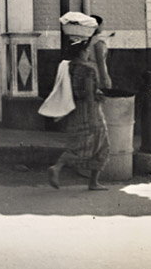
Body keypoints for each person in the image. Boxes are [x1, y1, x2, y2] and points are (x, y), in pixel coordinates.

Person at [48, 40, 110, 191]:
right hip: (90, 110)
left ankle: (92, 181)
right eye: (87, 50)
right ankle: (58, 167)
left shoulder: (67, 68)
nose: (88, 53)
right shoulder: (88, 70)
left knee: (77, 144)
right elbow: (89, 94)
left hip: (74, 109)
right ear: (82, 52)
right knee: (102, 145)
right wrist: (93, 117)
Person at [85, 14, 112, 90]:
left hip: (87, 68)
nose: (103, 26)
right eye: (102, 24)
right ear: (97, 26)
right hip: (96, 70)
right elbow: (100, 61)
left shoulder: (87, 40)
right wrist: (104, 77)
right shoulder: (98, 41)